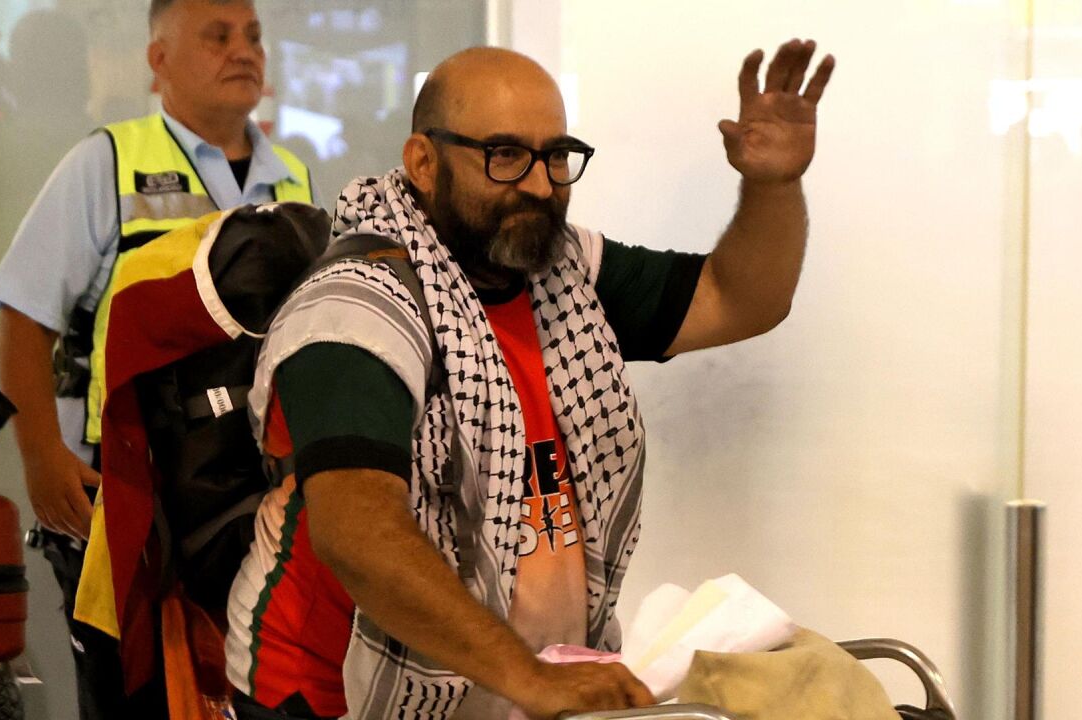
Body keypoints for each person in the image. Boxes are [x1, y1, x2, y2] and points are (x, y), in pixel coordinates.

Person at [225, 40, 834, 720]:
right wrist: (529, 677)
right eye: (506, 155)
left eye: (556, 156)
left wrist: (774, 185)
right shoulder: (356, 310)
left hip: (517, 682)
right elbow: (357, 532)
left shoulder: (563, 270)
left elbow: (737, 297)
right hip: (331, 693)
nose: (541, 186)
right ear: (423, 162)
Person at [0, 0, 315, 716]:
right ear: (159, 60)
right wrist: (40, 458)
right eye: (218, 36)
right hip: (125, 491)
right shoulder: (106, 162)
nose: (244, 51)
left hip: (247, 492)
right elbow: (21, 316)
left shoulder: (292, 178)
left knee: (246, 691)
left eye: (253, 36)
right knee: (131, 694)